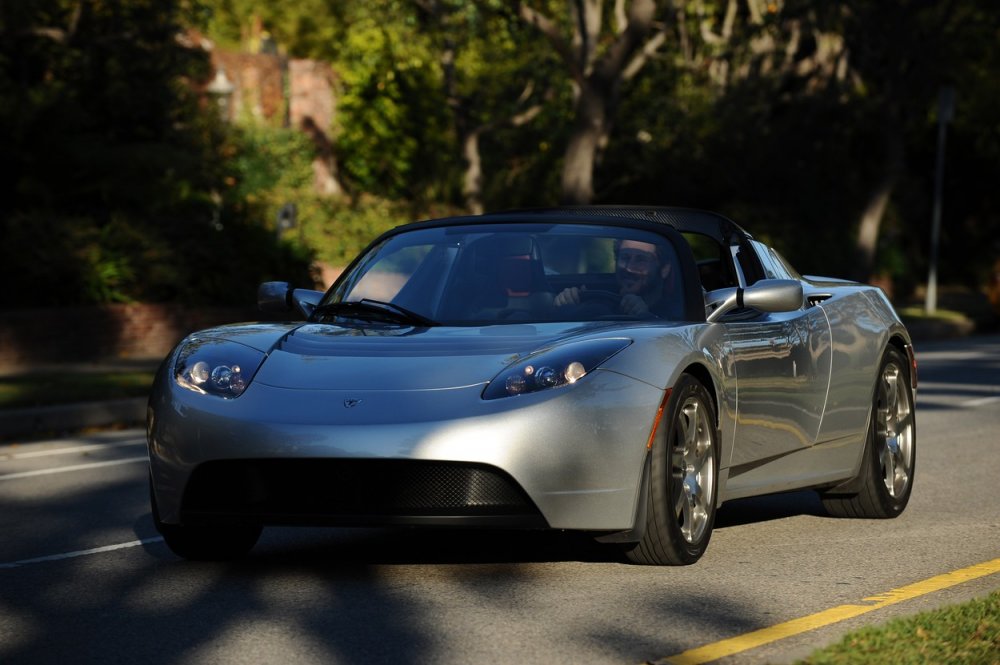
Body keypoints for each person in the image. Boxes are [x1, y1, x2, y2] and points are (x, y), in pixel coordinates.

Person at [553, 238, 674, 317]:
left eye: (641, 260)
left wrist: (645, 316)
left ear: (664, 269)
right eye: (625, 258)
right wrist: (565, 301)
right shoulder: (599, 300)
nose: (629, 268)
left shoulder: (677, 314)